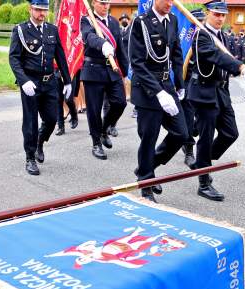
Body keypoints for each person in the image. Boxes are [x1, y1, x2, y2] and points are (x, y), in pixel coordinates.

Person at [187, 0, 245, 201]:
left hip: (221, 92)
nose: (220, 18)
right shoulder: (200, 35)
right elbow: (215, 56)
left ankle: (202, 161)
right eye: (216, 14)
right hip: (203, 92)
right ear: (208, 13)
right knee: (206, 138)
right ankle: (203, 182)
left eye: (223, 15)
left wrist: (238, 70)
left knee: (230, 133)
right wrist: (241, 67)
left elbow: (224, 60)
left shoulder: (223, 36)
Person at [129, 0, 189, 202]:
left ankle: (147, 166)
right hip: (147, 89)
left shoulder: (172, 20)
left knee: (181, 133)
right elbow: (137, 63)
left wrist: (180, 84)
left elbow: (176, 54)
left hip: (167, 85)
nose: (170, 3)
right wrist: (157, 92)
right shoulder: (141, 22)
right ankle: (146, 185)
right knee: (149, 137)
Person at [9, 0, 71, 175]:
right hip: (30, 82)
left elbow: (60, 55)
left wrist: (67, 81)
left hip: (49, 82)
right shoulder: (20, 30)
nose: (41, 14)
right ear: (31, 9)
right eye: (38, 10)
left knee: (52, 119)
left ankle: (39, 143)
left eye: (44, 10)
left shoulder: (52, 30)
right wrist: (23, 80)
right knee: (30, 121)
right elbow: (14, 58)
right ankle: (30, 158)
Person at [80, 0, 129, 160]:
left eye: (107, 3)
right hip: (93, 69)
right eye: (102, 3)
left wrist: (125, 72)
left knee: (120, 102)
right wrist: (102, 44)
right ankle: (96, 143)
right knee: (94, 110)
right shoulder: (86, 20)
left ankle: (103, 129)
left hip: (111, 69)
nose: (106, 6)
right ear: (94, 3)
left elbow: (120, 48)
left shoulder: (114, 22)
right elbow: (89, 37)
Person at [181, 8, 206, 168]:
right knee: (189, 116)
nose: (201, 25)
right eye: (198, 22)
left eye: (202, 21)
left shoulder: (206, 38)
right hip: (187, 81)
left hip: (204, 84)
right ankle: (189, 150)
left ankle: (189, 134)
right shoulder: (185, 39)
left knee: (205, 116)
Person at [54, 68, 79, 136]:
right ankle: (60, 126)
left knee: (68, 100)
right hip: (57, 73)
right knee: (58, 100)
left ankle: (74, 115)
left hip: (70, 72)